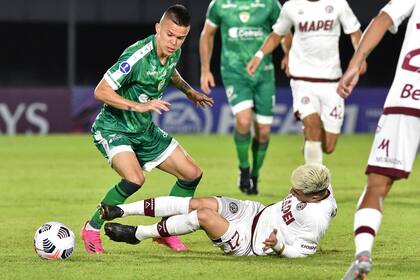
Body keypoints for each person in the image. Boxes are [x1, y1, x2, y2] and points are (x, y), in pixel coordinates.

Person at [81, 4, 214, 254]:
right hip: (114, 127)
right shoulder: (137, 56)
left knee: (191, 174)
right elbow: (101, 90)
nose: (174, 43)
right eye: (169, 35)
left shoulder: (172, 51)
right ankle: (91, 227)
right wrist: (137, 106)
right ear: (158, 29)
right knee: (134, 179)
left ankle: (166, 230)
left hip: (144, 131)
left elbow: (170, 72)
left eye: (181, 38)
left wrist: (189, 92)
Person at [337, 1, 420, 279]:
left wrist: (355, 62)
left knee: (377, 184)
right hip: (405, 101)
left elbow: (383, 18)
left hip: (406, 99)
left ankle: (363, 253)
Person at [100, 163, 337, 257]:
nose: (291, 190)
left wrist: (278, 246)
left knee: (203, 216)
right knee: (200, 203)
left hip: (251, 242)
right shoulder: (319, 181)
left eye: (297, 191)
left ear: (315, 196)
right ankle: (122, 210)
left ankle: (137, 234)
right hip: (254, 212)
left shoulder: (316, 218)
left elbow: (303, 254)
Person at [247, 0, 366, 165]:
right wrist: (258, 56)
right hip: (302, 80)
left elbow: (355, 33)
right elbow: (277, 35)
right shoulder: (291, 7)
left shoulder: (338, 4)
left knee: (329, 146)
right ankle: (314, 185)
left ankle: (310, 143)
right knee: (313, 127)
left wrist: (360, 58)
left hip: (332, 82)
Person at [199, 0, 286, 195]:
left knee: (263, 132)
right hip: (234, 73)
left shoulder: (270, 4)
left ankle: (255, 174)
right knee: (243, 121)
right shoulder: (219, 5)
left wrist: (288, 54)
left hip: (264, 74)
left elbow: (283, 31)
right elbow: (207, 34)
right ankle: (244, 169)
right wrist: (205, 69)